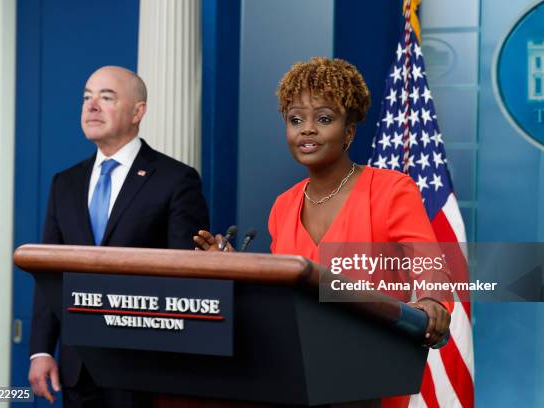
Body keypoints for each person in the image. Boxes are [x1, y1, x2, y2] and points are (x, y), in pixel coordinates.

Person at [194, 56, 450, 345]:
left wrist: (432, 300)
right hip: (301, 362)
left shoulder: (391, 190)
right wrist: (236, 269)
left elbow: (428, 261)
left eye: (324, 119)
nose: (307, 129)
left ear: (349, 132)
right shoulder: (284, 205)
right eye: (296, 119)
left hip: (374, 361)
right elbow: (285, 292)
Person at [28, 66, 209, 407]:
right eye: (86, 97)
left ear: (138, 111)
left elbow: (187, 277)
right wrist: (40, 350)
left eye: (106, 97)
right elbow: (48, 273)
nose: (91, 106)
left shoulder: (176, 179)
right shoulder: (64, 183)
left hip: (144, 367)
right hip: (77, 367)